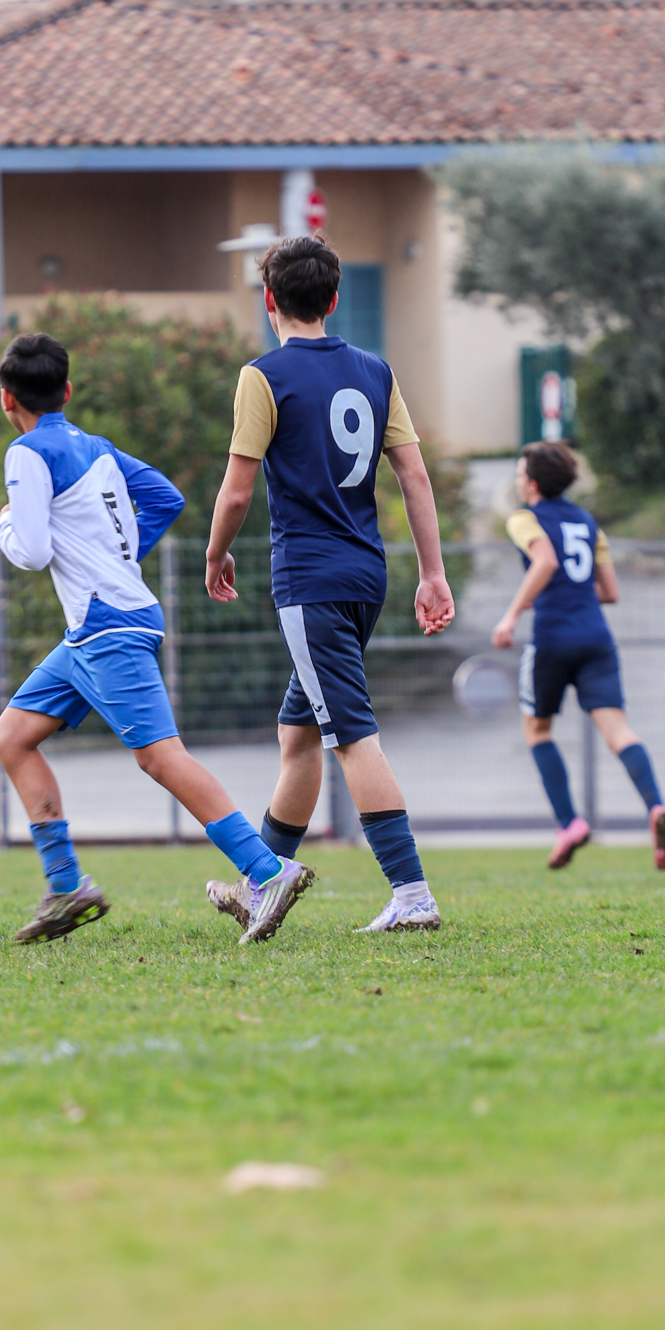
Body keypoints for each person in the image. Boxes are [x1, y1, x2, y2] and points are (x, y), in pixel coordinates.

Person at [0, 332, 313, 945]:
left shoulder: (26, 452)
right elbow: (166, 498)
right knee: (11, 737)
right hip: (93, 629)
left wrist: (7, 523)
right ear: (67, 391)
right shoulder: (98, 447)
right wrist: (118, 556)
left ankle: (267, 871)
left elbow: (29, 551)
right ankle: (66, 887)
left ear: (7, 399)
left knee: (161, 757)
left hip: (107, 626)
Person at [203, 235, 454, 933]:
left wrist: (215, 554)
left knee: (349, 735)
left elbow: (236, 490)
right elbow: (414, 476)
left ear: (269, 299)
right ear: (334, 299)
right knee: (299, 735)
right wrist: (432, 573)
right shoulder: (375, 371)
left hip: (310, 580)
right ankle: (263, 880)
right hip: (365, 575)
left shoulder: (263, 376)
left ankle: (412, 893)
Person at [492, 441, 665, 870]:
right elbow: (610, 592)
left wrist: (511, 614)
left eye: (519, 474)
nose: (518, 481)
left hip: (552, 639)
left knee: (538, 730)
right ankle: (656, 807)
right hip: (596, 637)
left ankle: (570, 823)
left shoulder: (524, 518)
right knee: (618, 731)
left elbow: (545, 562)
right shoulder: (588, 522)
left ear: (532, 484)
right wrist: (566, 592)